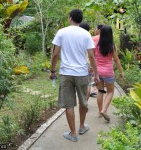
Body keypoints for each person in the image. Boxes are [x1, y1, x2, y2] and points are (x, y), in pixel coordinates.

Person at [49, 9, 99, 142]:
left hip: (66, 73)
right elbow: (92, 57)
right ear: (81, 20)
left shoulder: (61, 32)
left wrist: (52, 71)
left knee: (69, 104)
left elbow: (55, 55)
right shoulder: (86, 34)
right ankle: (82, 126)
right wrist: (96, 74)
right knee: (83, 101)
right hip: (81, 73)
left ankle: (73, 133)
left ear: (70, 18)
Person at [94, 25, 124, 122]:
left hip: (98, 72)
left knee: (100, 91)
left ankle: (99, 111)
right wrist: (121, 72)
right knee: (110, 92)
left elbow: (93, 58)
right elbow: (116, 60)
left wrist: (93, 70)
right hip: (108, 72)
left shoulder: (96, 45)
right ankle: (104, 110)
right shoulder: (112, 46)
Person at [79, 23, 96, 101]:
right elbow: (92, 55)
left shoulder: (77, 38)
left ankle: (82, 102)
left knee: (80, 85)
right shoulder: (89, 38)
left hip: (79, 64)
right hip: (88, 63)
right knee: (88, 84)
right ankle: (85, 103)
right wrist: (92, 66)